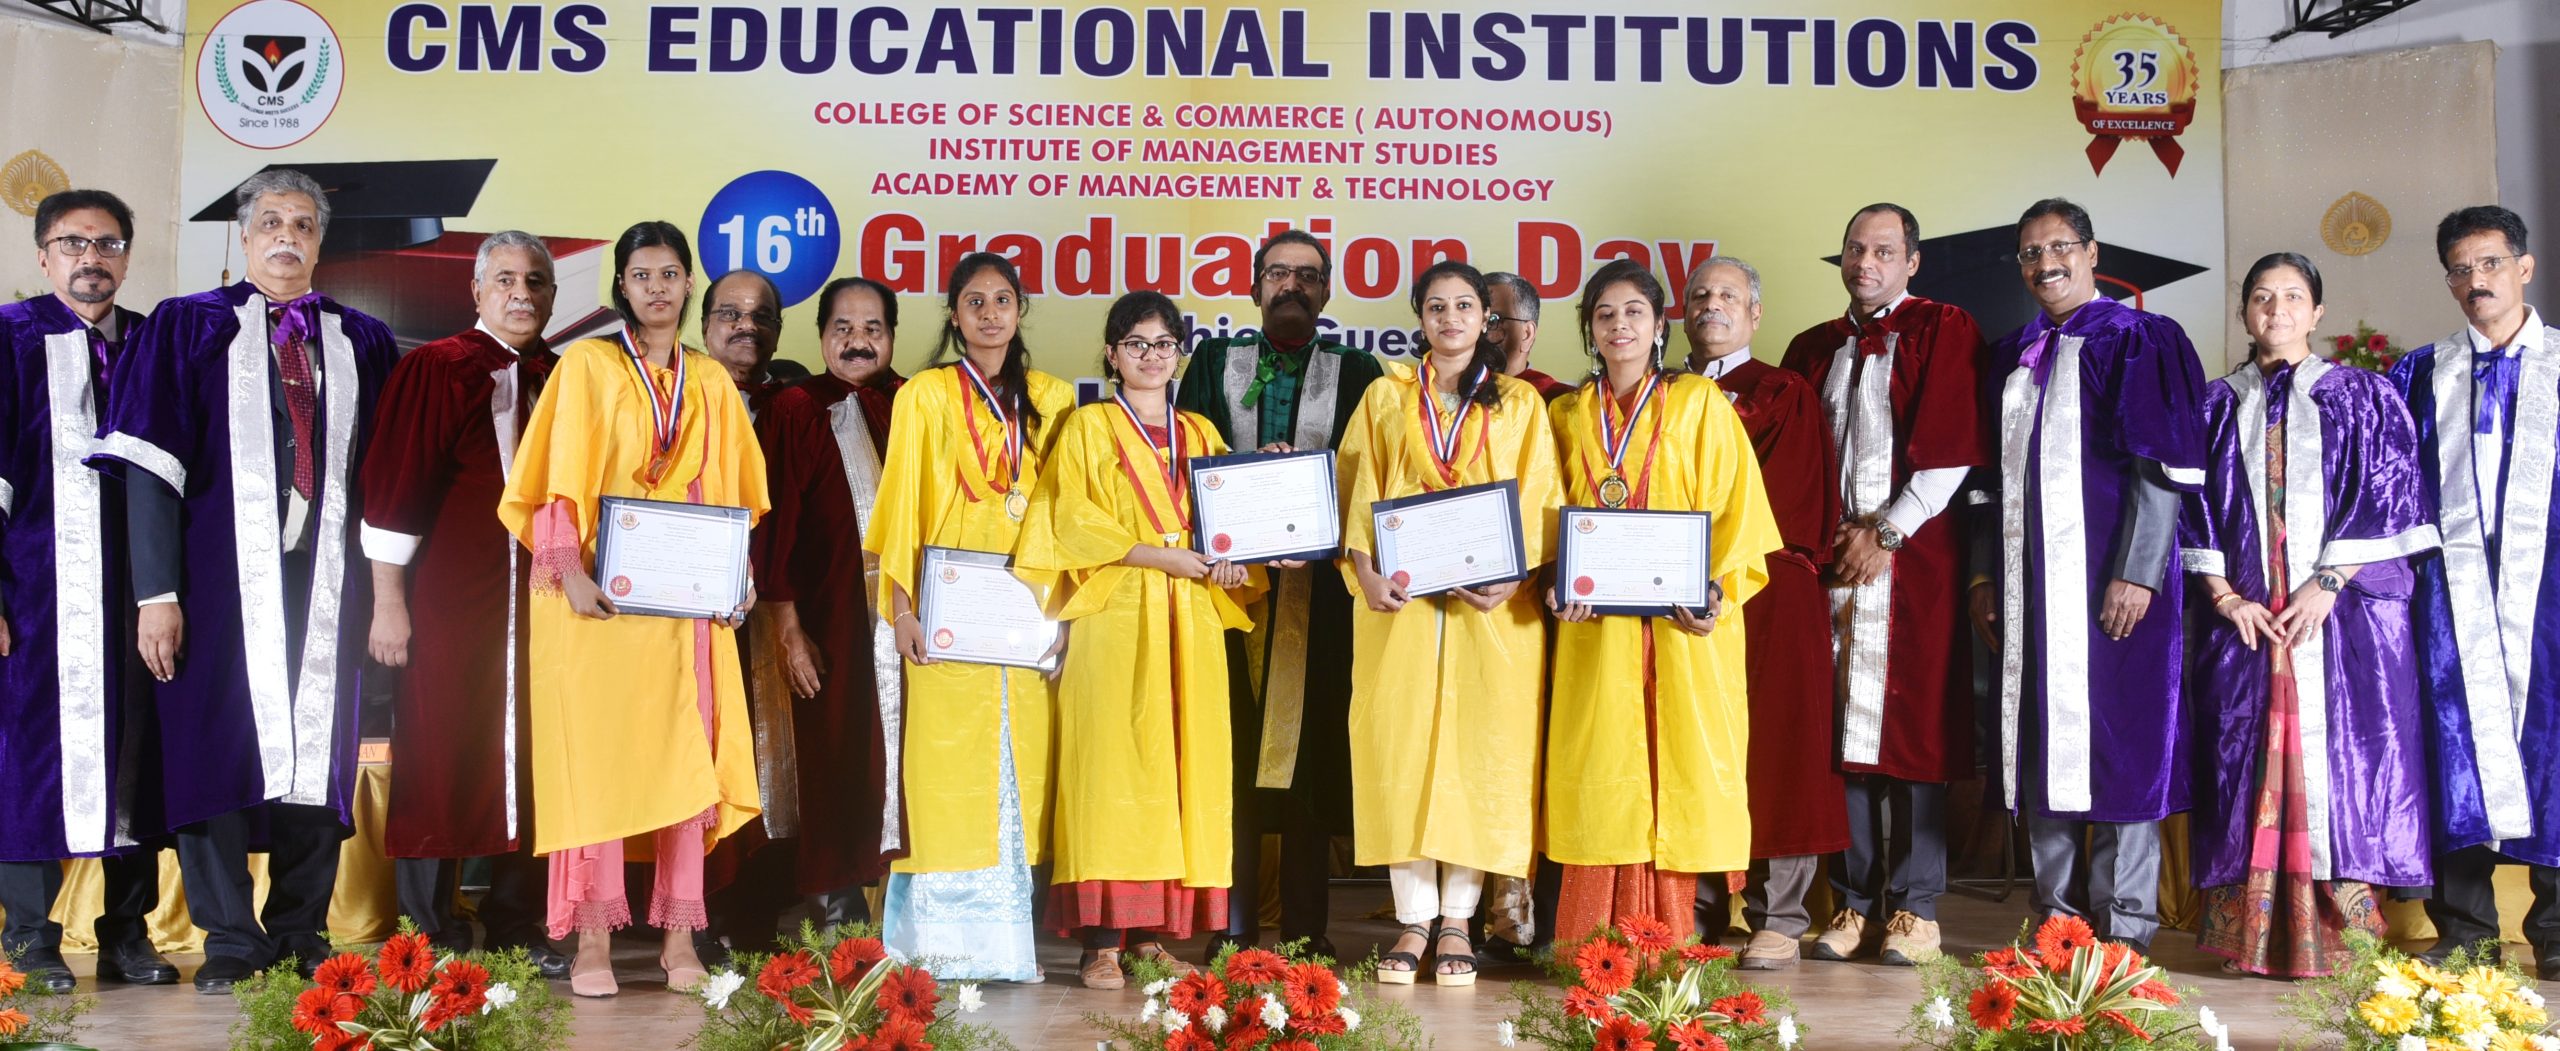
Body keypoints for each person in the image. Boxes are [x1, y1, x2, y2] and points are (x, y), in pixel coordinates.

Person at [88, 170, 397, 992]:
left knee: (317, 757)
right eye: (270, 222)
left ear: (321, 241)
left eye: (302, 223)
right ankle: (229, 935)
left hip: (325, 586)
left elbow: (386, 482)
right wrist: (157, 594)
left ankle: (298, 930)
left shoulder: (362, 339)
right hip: (215, 586)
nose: (286, 235)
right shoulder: (186, 326)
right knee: (211, 748)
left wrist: (386, 595)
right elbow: (150, 469)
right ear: (245, 235)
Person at [497, 220, 766, 998]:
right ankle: (592, 943)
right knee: (600, 766)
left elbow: (730, 494)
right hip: (599, 606)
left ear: (689, 285)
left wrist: (736, 573)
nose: (656, 288)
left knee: (685, 759)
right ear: (622, 285)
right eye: (642, 274)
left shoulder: (709, 380)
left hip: (682, 612)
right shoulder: (586, 365)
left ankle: (681, 938)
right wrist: (565, 570)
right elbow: (552, 483)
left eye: (670, 274)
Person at [2185, 252, 2439, 977]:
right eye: (2262, 297)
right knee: (2244, 756)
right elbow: (2188, 507)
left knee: (2345, 762)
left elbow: (2391, 495)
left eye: (2293, 296)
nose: (2277, 310)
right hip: (2243, 620)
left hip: (2339, 619)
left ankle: (2341, 933)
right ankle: (2249, 936)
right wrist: (2226, 596)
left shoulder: (2363, 396)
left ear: (2317, 311)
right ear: (2244, 312)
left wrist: (2327, 583)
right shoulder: (2212, 404)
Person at [1972, 197, 2206, 951]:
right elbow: (1988, 486)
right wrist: (1985, 579)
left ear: (2092, 252)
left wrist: (2139, 572)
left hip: (2114, 582)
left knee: (2123, 742)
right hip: (2033, 591)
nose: (2046, 263)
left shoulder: (2141, 339)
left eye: (2060, 247)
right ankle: (2059, 923)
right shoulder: (2013, 354)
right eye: (2031, 252)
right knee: (2046, 743)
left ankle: (2126, 923)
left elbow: (2160, 469)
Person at [1023, 291, 1263, 988]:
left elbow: (1230, 526)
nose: (1151, 356)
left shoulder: (1202, 433)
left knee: (1181, 771)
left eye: (1163, 344)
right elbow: (1072, 520)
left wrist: (1230, 562)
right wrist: (1164, 556)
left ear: (1179, 354)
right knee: (1112, 769)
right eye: (1136, 344)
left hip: (1191, 617)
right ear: (1111, 354)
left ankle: (1151, 935)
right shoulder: (1088, 426)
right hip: (1116, 611)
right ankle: (1100, 941)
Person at [1546, 259, 1781, 949]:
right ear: (1589, 330)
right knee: (1602, 769)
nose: (1619, 325)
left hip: (1682, 629)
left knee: (1677, 770)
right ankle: (1592, 946)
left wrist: (1716, 591)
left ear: (1658, 326)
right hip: (1596, 629)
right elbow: (1543, 515)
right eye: (1604, 314)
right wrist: (1555, 580)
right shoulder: (1565, 415)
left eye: (1634, 312)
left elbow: (1740, 512)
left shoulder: (1700, 403)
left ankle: (1670, 941)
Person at [1339, 260, 1561, 986]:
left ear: (1486, 319)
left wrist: (1514, 576)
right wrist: (1365, 572)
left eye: (1464, 305)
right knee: (1400, 751)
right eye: (1436, 307)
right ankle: (1413, 918)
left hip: (1488, 611)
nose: (1450, 318)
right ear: (1420, 317)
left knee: (1478, 754)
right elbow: (1359, 488)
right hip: (1400, 610)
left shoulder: (1519, 402)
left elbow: (1540, 498)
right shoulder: (1385, 396)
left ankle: (1459, 918)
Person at [1778, 205, 1988, 966]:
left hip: (1915, 561)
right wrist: (1821, 542)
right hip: (1830, 564)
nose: (1865, 262)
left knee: (1915, 731)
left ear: (1912, 261)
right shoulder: (1813, 347)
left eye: (1883, 250)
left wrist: (1887, 532)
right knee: (1839, 733)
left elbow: (1953, 446)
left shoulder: (1943, 327)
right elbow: (1793, 460)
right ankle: (1854, 903)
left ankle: (1917, 907)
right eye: (1854, 249)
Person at [358, 230, 563, 974]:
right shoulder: (437, 368)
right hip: (449, 601)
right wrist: (389, 603)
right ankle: (430, 925)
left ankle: (516, 920)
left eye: (535, 281)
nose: (521, 293)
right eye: (504, 279)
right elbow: (395, 487)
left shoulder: (564, 377)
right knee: (441, 747)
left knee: (536, 755)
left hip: (543, 607)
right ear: (476, 291)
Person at [865, 252, 1074, 982]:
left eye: (1002, 299)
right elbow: (902, 502)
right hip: (946, 612)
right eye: (974, 301)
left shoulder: (1053, 399)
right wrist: (901, 608)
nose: (989, 313)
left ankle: (1006, 948)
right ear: (954, 315)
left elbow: (1068, 514)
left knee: (1017, 767)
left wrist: (1065, 615)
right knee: (942, 770)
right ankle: (935, 947)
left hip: (1025, 615)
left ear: (1020, 310)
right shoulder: (924, 394)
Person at [1175, 229, 1383, 959]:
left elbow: (1370, 473)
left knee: (1309, 763)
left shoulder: (1360, 371)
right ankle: (1232, 926)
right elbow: (1185, 458)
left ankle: (1305, 930)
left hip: (1318, 593)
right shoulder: (1213, 361)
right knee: (1227, 753)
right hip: (1227, 592)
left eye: (1307, 275)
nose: (1291, 285)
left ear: (1326, 291)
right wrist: (1246, 479)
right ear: (1254, 285)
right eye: (1277, 273)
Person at [0, 189, 177, 991]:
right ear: (43, 256)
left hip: (140, 590)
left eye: (107, 243)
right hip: (37, 590)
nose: (90, 258)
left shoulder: (151, 341)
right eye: (73, 243)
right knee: (32, 754)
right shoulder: (10, 336)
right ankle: (29, 934)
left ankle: (126, 933)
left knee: (138, 756)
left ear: (127, 258)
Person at [2388, 205, 2560, 976]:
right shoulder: (2421, 372)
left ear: (2524, 267)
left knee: (2554, 749)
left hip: (2550, 596)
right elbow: (2393, 485)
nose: (2475, 279)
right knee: (2453, 747)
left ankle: (2556, 930)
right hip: (2450, 599)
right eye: (2460, 269)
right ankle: (2466, 930)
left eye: (2489, 263)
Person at [1680, 258, 1848, 968]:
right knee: (1690, 744)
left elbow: (1780, 504)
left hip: (1770, 586)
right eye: (1699, 295)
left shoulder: (1784, 391)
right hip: (1676, 591)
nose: (1711, 305)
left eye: (1728, 295)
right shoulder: (1662, 392)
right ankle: (1692, 907)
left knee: (1780, 748)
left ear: (1754, 314)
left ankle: (1777, 915)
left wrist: (1715, 569)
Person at [734, 276, 909, 941]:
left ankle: (904, 900)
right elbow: (775, 524)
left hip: (913, 622)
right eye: (843, 328)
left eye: (872, 329)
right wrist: (788, 630)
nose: (858, 341)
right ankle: (840, 899)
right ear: (820, 336)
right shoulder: (798, 408)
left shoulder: (914, 402)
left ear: (892, 336)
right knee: (836, 751)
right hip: (829, 618)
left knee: (906, 757)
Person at [701, 269, 805, 421]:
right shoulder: (678, 398)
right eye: (730, 314)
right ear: (705, 328)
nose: (748, 325)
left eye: (762, 317)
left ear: (777, 333)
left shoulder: (800, 409)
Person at [1488, 270, 1576, 400]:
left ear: (1527, 334)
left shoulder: (1562, 401)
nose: (1479, 331)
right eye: (1476, 319)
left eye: (1492, 320)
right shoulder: (1458, 394)